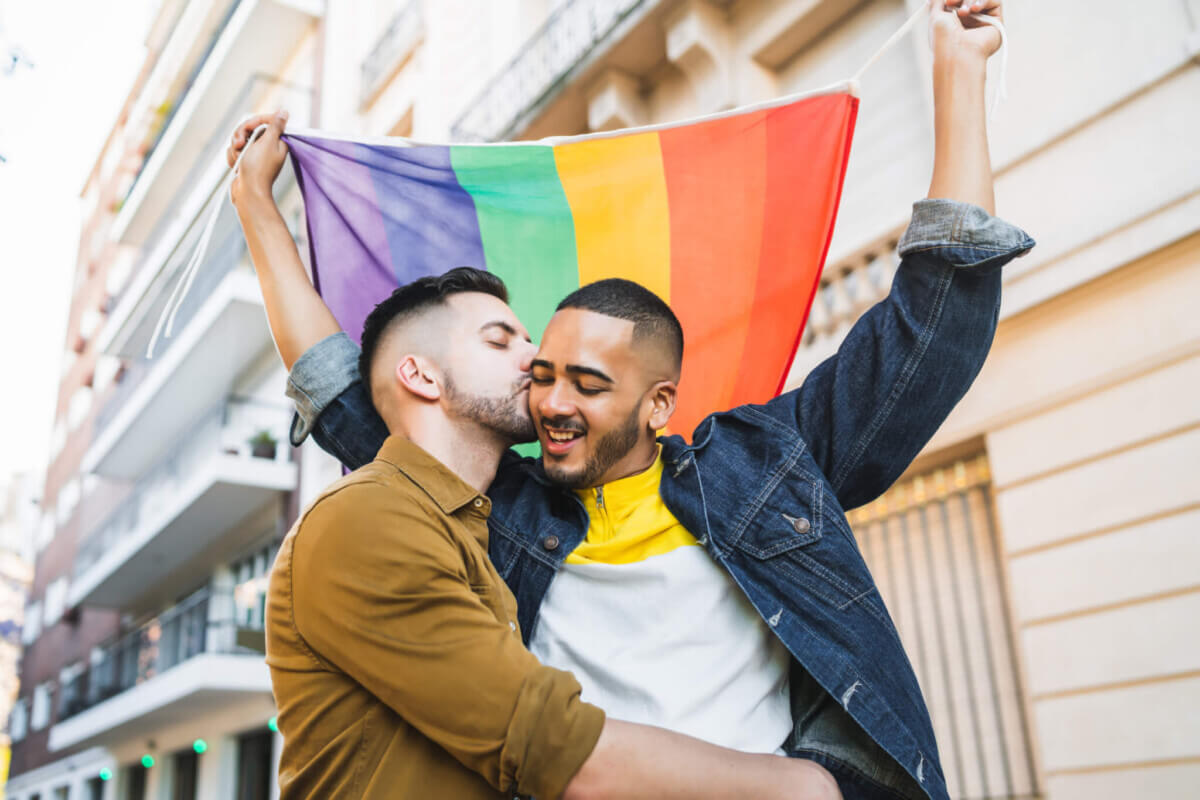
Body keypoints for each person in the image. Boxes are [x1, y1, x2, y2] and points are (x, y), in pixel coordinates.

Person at [231, 2, 1032, 797]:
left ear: (658, 405)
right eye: (541, 372)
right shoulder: (492, 509)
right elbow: (340, 385)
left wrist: (959, 74)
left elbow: (929, 331)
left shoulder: (764, 463)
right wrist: (260, 210)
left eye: (588, 384)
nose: (550, 401)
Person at [263, 267, 840, 799]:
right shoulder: (368, 519)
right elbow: (549, 744)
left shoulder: (474, 527)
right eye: (500, 340)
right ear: (420, 375)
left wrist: (258, 205)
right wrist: (795, 783)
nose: (535, 358)